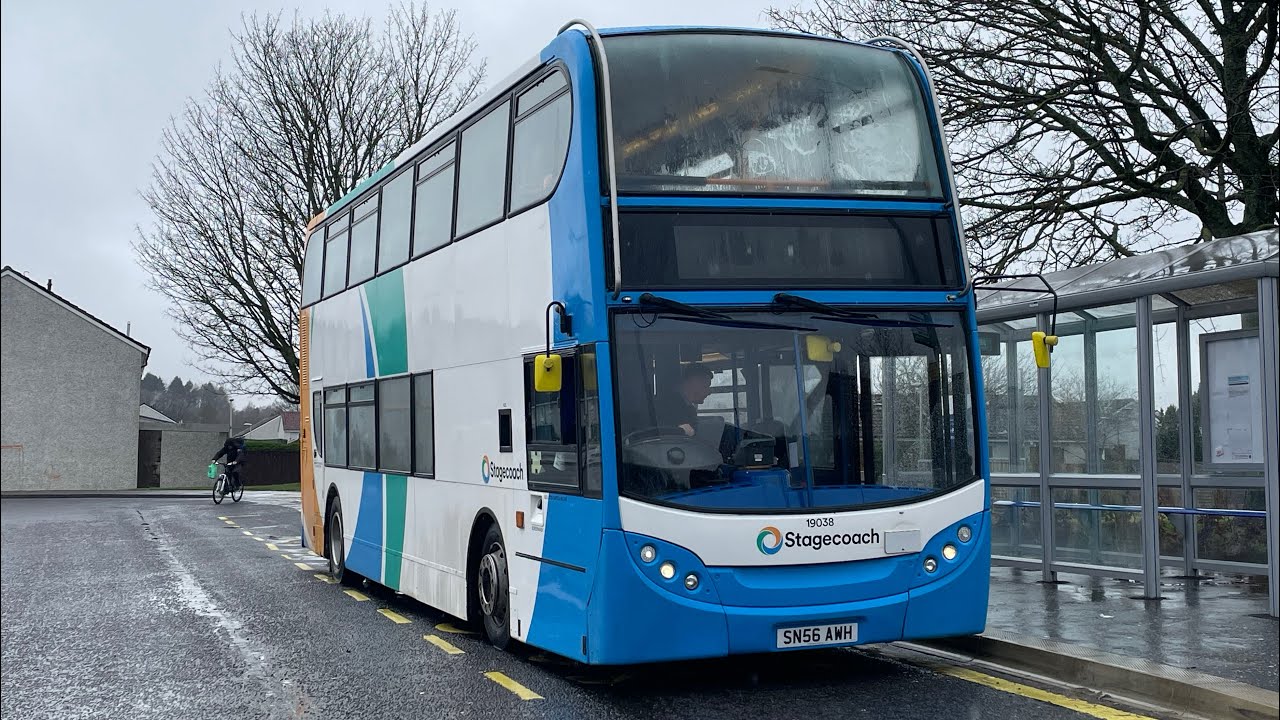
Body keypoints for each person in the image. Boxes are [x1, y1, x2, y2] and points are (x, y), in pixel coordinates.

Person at [655, 364, 714, 436]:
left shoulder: (687, 407)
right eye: (706, 386)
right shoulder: (667, 407)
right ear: (694, 382)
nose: (709, 392)